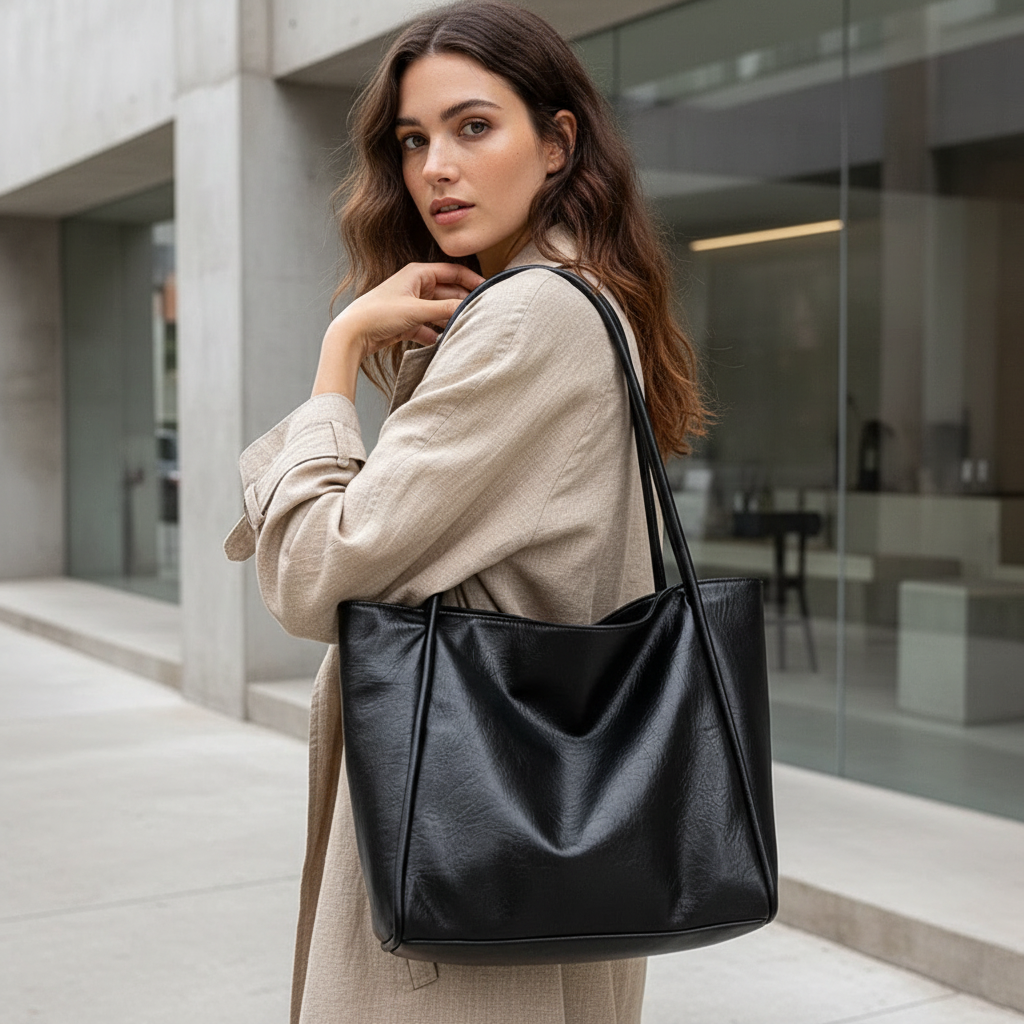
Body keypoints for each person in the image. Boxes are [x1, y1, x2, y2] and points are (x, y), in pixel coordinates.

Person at [224, 2, 707, 1021]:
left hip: (467, 867)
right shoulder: (574, 302)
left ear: (556, 142)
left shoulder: (529, 319)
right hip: (515, 846)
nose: (435, 164)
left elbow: (319, 573)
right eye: (413, 139)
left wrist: (338, 355)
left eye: (473, 126)